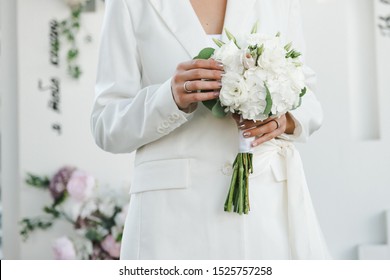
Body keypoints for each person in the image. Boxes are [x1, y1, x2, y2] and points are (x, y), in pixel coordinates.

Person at [91, 0, 330, 259]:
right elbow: (106, 125)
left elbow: (308, 98)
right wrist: (168, 99)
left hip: (266, 211)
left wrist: (286, 119)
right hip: (172, 221)